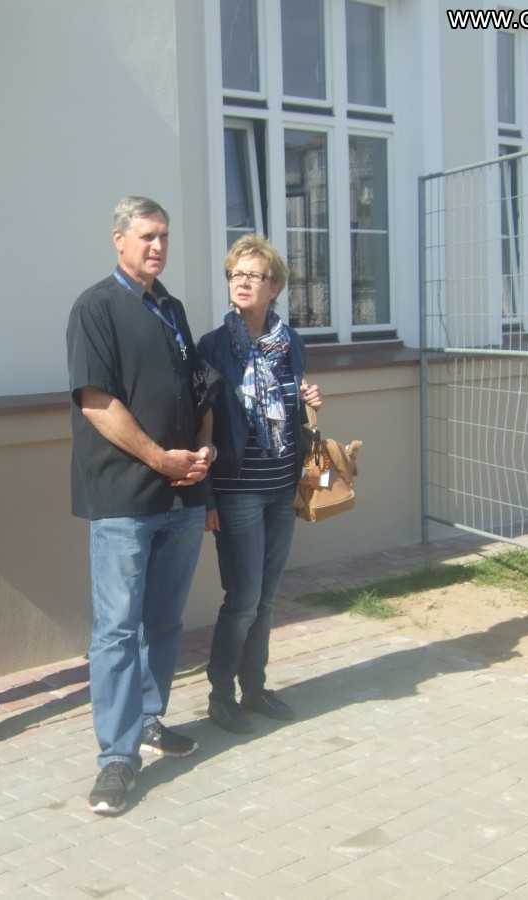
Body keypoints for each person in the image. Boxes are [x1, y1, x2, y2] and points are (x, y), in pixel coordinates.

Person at [67, 196, 215, 815]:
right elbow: (97, 402)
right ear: (119, 239)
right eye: (147, 235)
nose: (158, 246)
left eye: (165, 236)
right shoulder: (96, 307)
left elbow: (200, 390)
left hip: (183, 496)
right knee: (118, 630)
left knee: (163, 620)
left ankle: (149, 719)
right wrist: (160, 458)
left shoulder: (170, 308)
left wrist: (203, 453)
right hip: (127, 497)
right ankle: (117, 757)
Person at [197, 234, 322, 734]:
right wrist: (206, 496)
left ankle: (254, 687)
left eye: (254, 275)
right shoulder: (212, 347)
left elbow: (289, 407)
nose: (242, 282)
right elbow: (202, 424)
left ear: (275, 288)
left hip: (282, 487)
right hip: (238, 491)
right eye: (236, 274)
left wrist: (307, 398)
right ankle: (220, 695)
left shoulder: (290, 343)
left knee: (267, 598)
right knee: (244, 598)